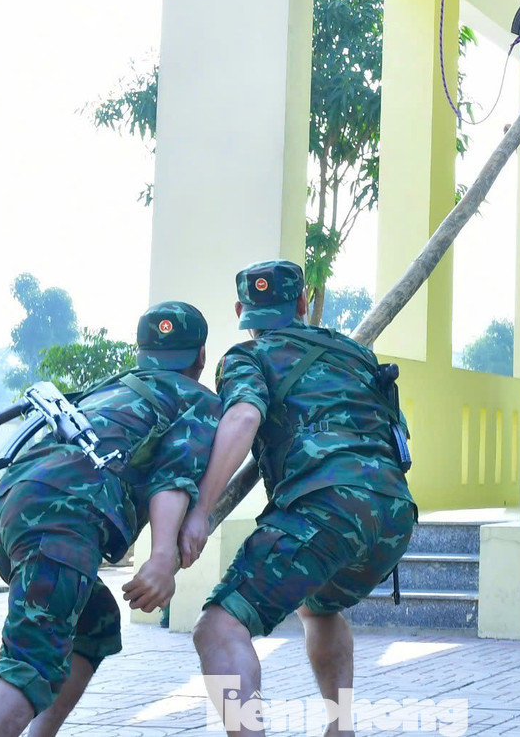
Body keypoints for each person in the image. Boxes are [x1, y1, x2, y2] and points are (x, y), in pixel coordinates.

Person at [0, 301, 222, 737]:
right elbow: (172, 478)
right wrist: (161, 559)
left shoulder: (112, 387)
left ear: (141, 352)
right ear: (200, 356)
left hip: (6, 505)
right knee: (29, 666)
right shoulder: (194, 399)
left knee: (95, 620)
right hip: (60, 523)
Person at [179, 260, 416, 737]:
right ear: (303, 302)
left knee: (218, 628)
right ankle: (340, 729)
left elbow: (244, 420)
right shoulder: (354, 352)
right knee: (318, 603)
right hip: (393, 514)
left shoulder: (247, 357)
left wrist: (199, 512)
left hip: (322, 509)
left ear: (242, 309)